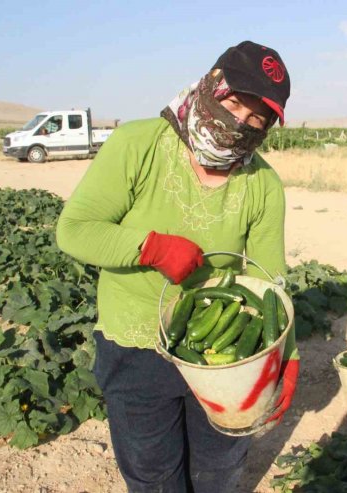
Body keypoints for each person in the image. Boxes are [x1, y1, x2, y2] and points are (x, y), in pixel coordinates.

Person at [56, 40, 299, 493]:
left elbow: (270, 278)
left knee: (219, 473)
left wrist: (288, 354)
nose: (239, 124)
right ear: (212, 85)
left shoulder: (263, 183)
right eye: (233, 104)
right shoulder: (139, 143)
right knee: (154, 476)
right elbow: (74, 230)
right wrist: (150, 248)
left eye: (256, 119)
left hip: (230, 362)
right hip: (137, 346)